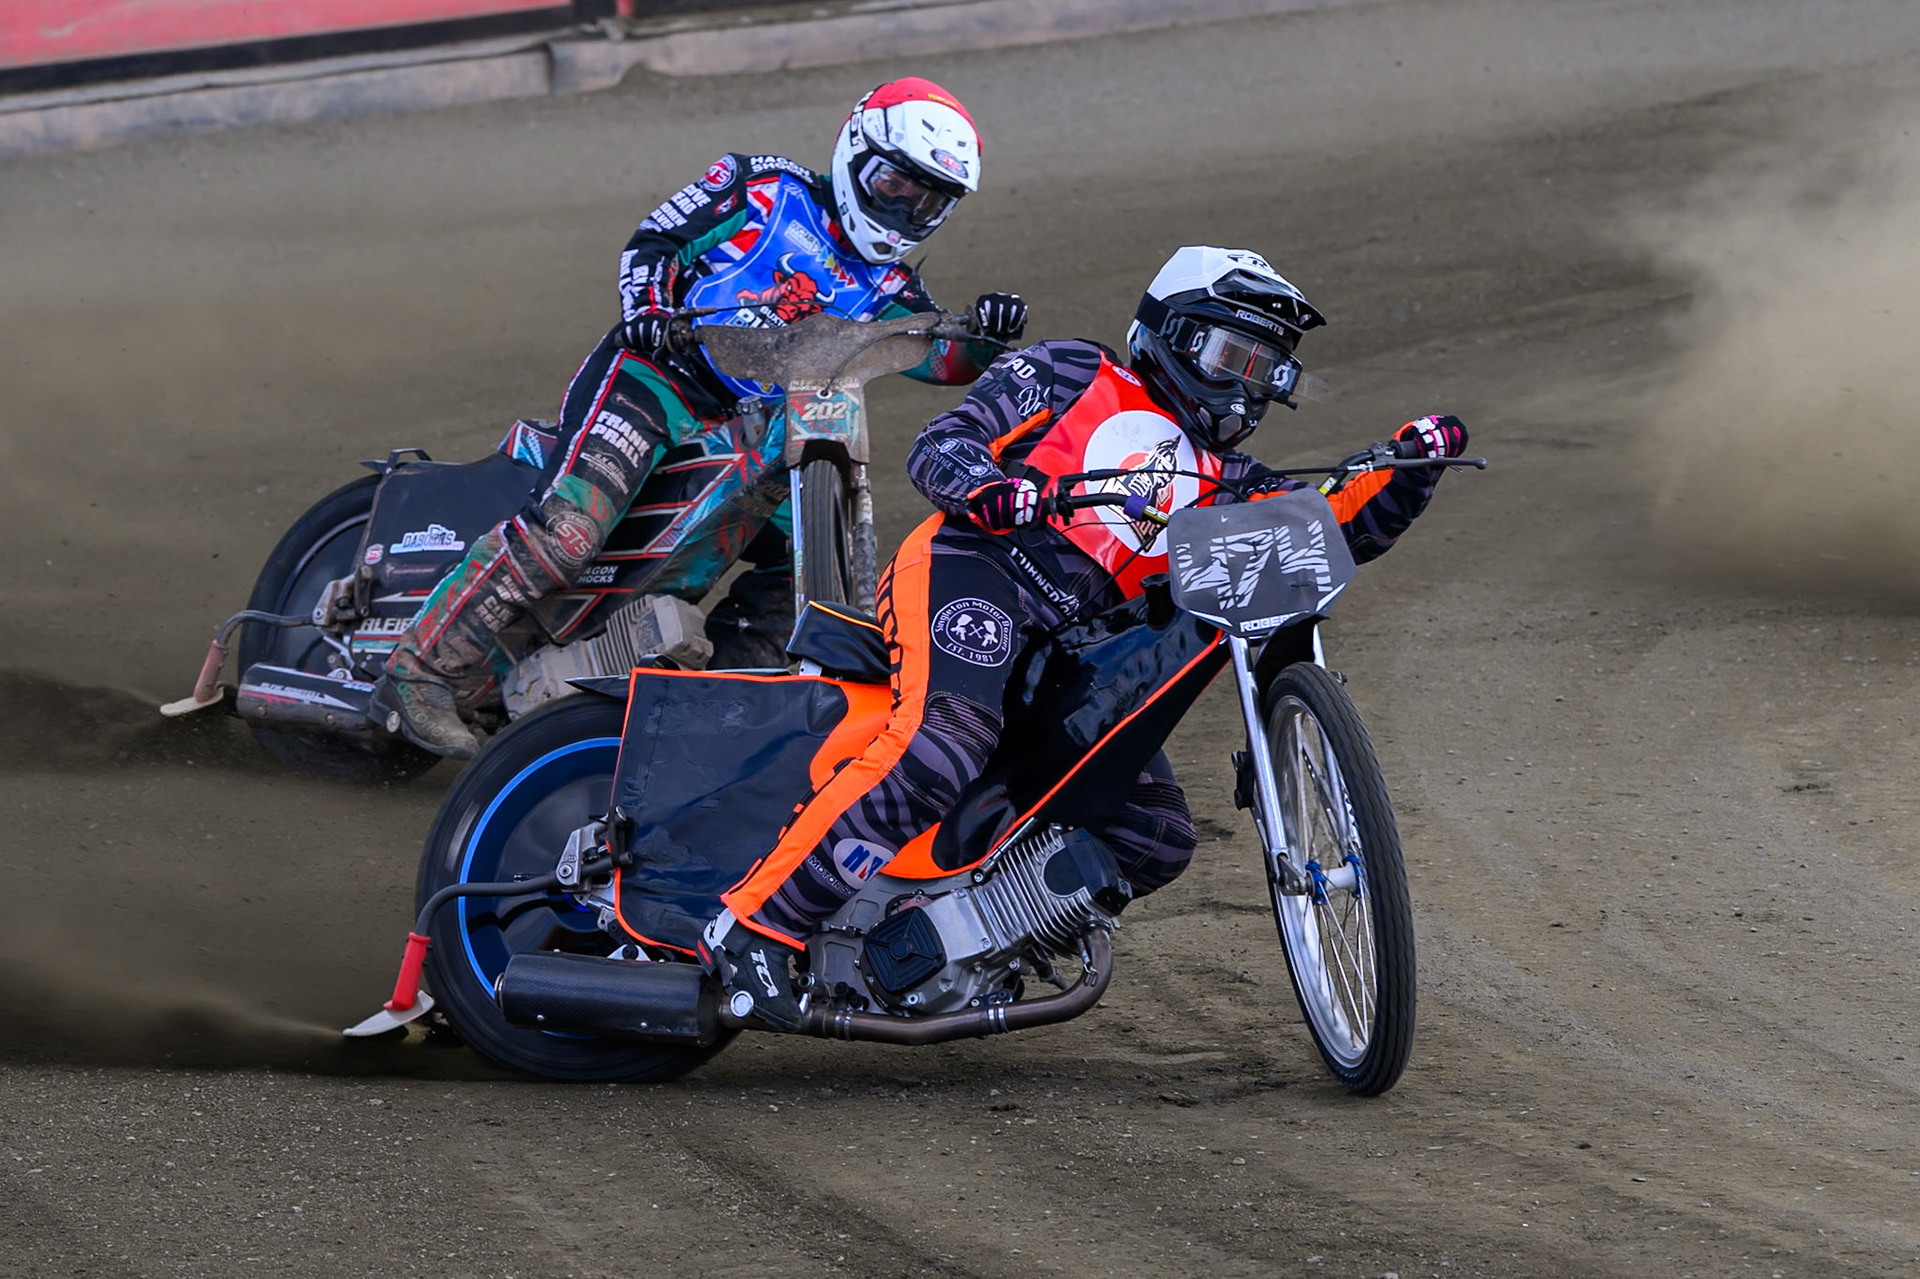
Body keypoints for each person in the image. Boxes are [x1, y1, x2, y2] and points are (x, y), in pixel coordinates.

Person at [698, 245, 1469, 1029]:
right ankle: (754, 925)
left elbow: (1332, 527)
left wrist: (1410, 467)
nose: (1247, 385)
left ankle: (953, 939)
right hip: (976, 569)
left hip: (1074, 658)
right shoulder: (1073, 371)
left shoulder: (1235, 482)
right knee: (946, 741)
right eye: (1232, 356)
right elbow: (944, 444)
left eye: (1266, 369)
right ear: (1173, 332)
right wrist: (993, 488)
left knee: (1155, 835)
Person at [373, 76, 1030, 758]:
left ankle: (713, 726)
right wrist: (649, 310)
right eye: (895, 184)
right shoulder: (764, 188)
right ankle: (420, 670)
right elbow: (657, 240)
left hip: (755, 432)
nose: (906, 207)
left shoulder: (894, 289)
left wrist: (986, 335)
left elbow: (941, 360)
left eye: (928, 199)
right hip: (655, 379)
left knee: (800, 575)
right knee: (568, 534)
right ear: (855, 151)